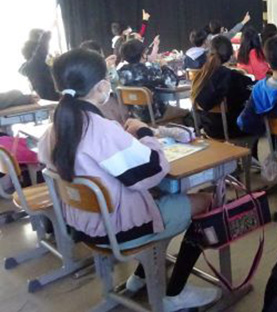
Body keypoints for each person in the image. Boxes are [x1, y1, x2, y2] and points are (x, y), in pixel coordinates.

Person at [37, 49, 219, 311]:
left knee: (162, 202)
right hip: (119, 229)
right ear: (101, 86)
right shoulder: (100, 129)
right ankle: (175, 292)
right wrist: (144, 133)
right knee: (207, 201)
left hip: (84, 225)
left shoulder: (56, 128)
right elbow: (152, 170)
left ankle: (141, 277)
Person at [192, 36, 254, 140]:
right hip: (232, 130)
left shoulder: (199, 77)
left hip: (209, 130)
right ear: (231, 55)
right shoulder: (234, 77)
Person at [118, 39, 179, 122]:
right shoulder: (149, 71)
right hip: (154, 115)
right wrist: (164, 67)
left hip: (133, 117)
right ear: (143, 54)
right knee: (187, 112)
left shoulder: (120, 73)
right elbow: (172, 82)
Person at [19, 30, 59, 101]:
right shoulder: (34, 64)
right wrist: (45, 36)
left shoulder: (31, 66)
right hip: (51, 98)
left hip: (46, 98)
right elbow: (41, 50)